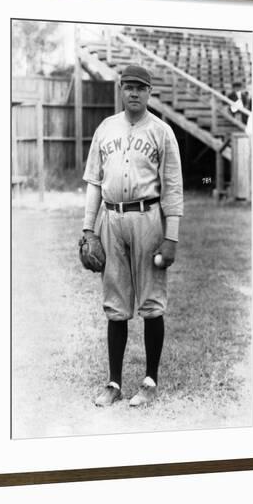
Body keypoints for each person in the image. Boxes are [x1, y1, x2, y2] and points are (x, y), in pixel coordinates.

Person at [81, 64, 184, 407]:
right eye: (129, 87)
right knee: (115, 304)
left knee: (152, 303)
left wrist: (172, 237)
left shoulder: (162, 131)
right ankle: (113, 383)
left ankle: (150, 381)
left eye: (141, 87)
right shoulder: (106, 129)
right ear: (121, 90)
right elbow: (94, 182)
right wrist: (87, 229)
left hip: (148, 217)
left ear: (149, 92)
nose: (134, 93)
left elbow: (173, 188)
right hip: (111, 219)